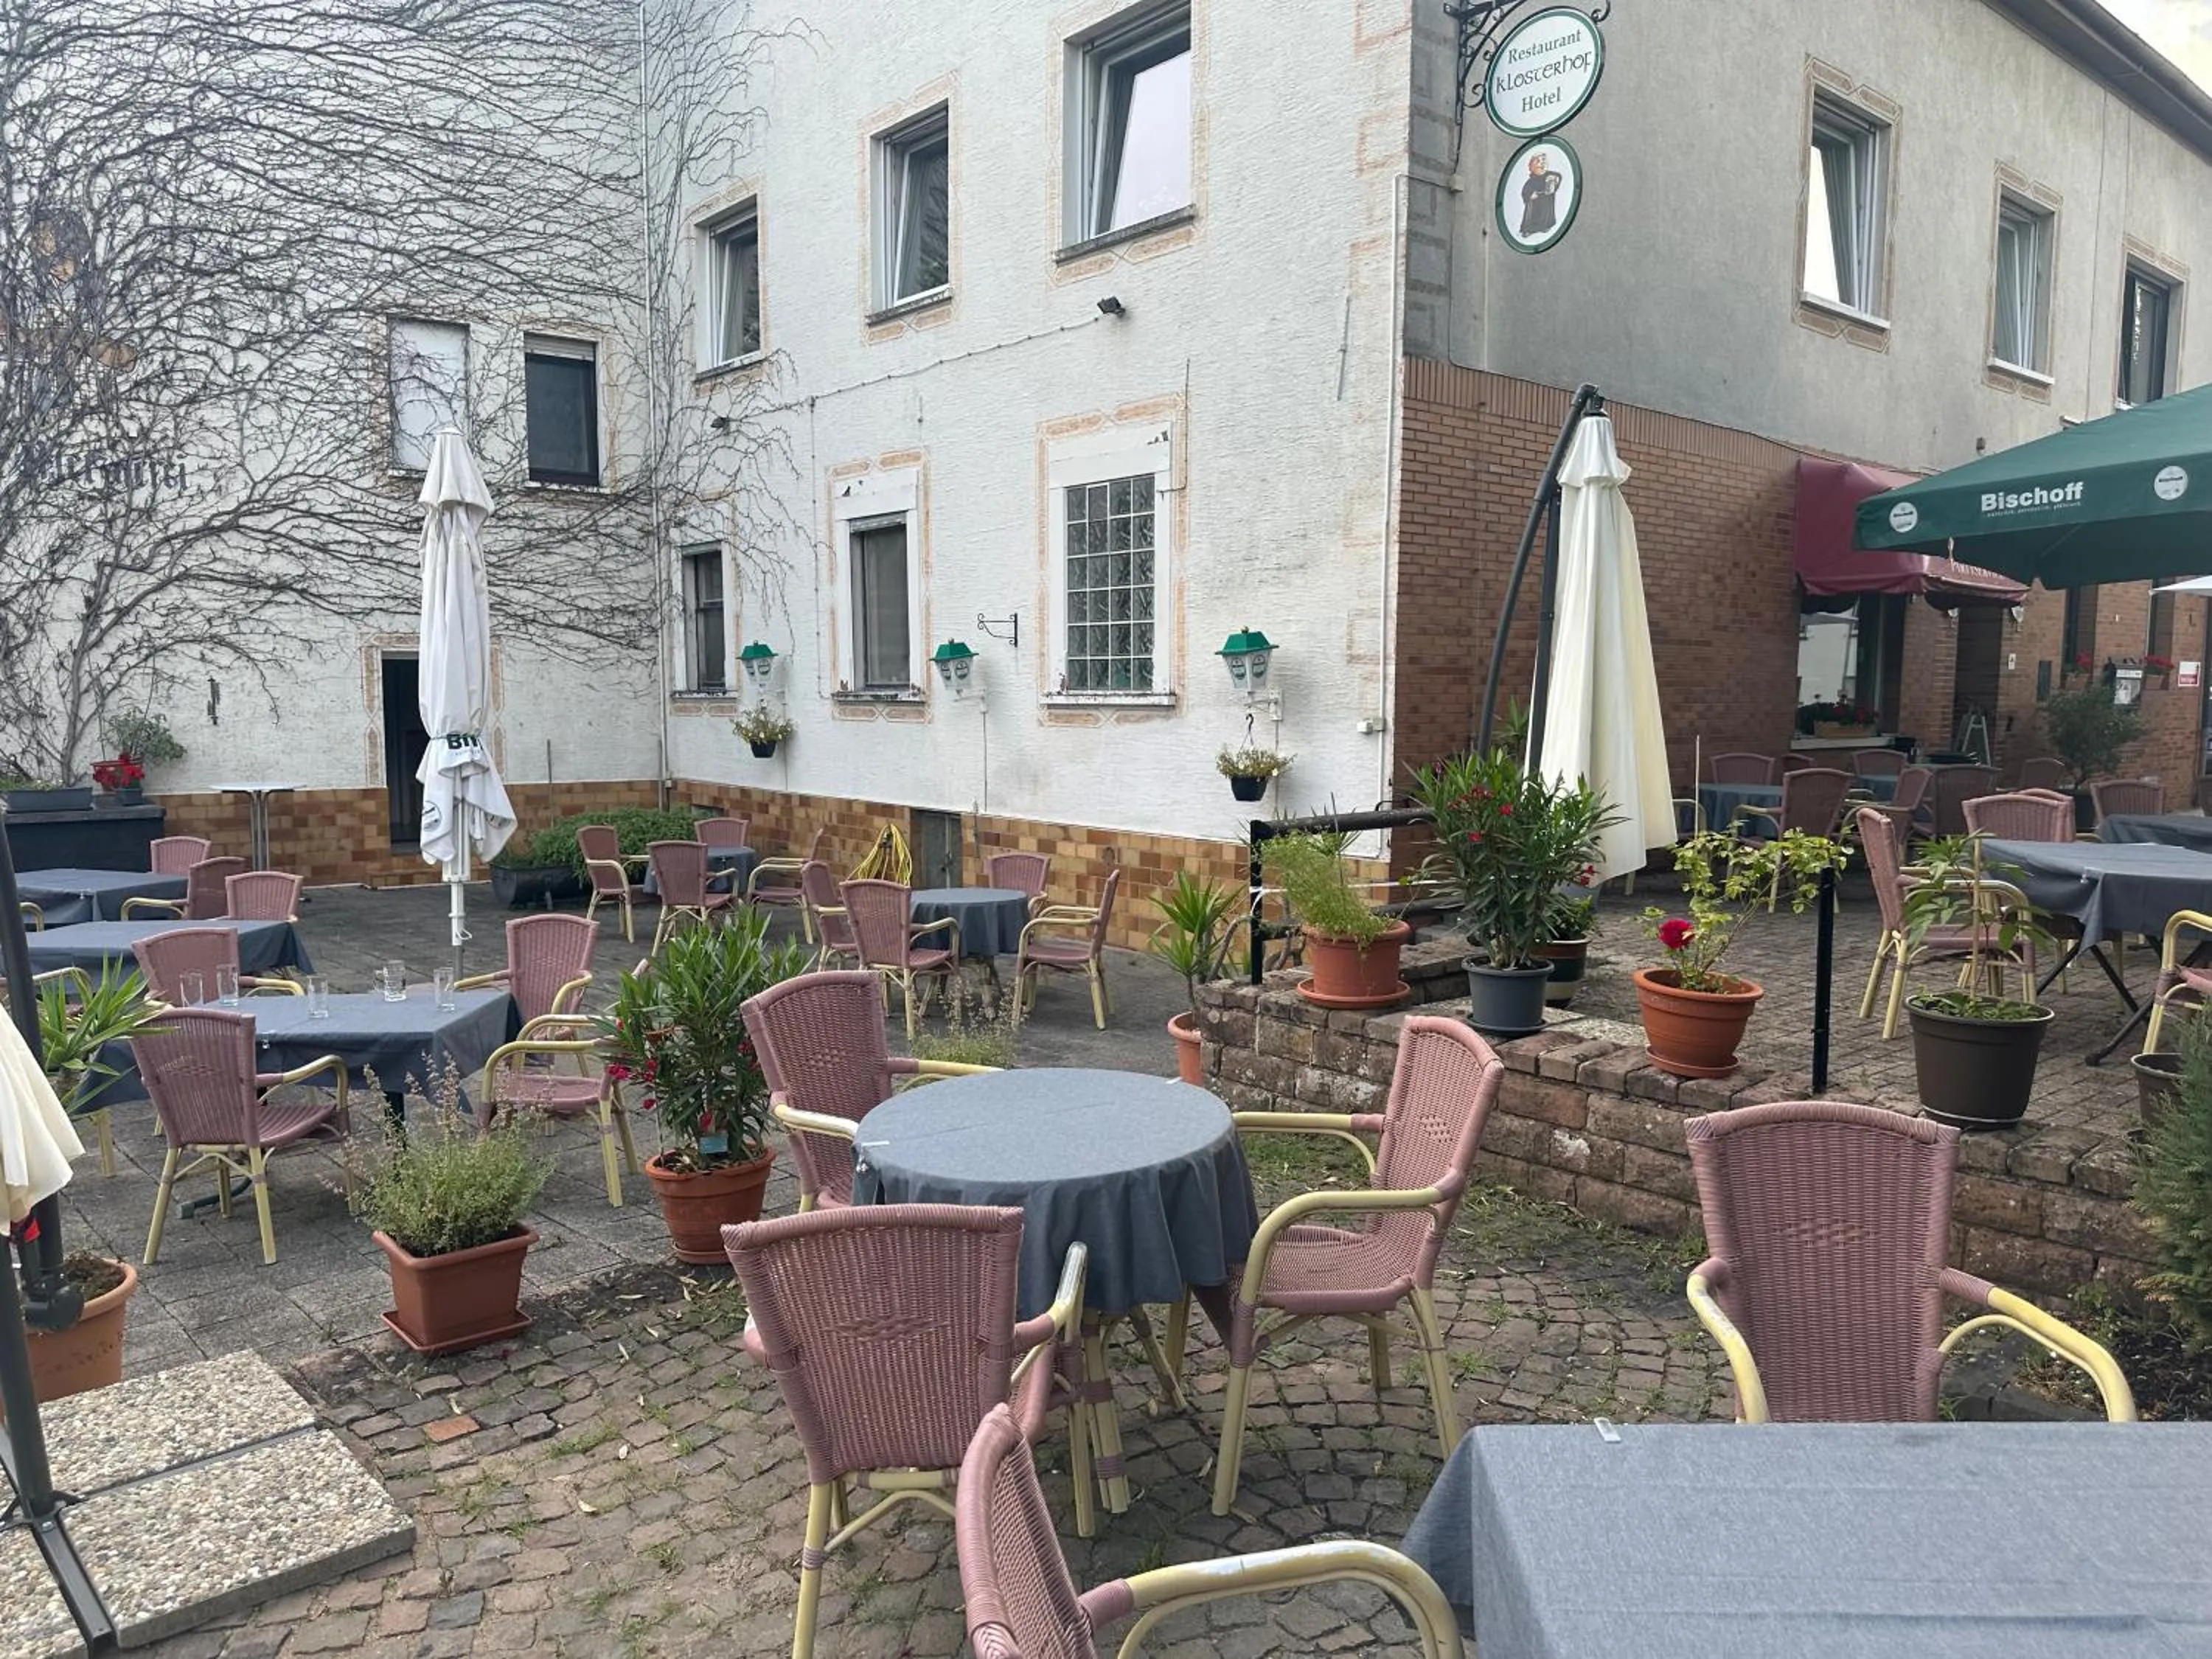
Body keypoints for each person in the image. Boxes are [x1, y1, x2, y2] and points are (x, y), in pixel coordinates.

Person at [1520, 152, 1562, 239]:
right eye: (1538, 162)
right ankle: (1529, 230)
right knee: (1533, 216)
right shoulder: (1532, 181)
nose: (1542, 164)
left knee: (1547, 215)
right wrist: (1530, 195)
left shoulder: (1550, 176)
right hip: (1535, 203)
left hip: (1547, 201)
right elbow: (1525, 192)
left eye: (1544, 161)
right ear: (1532, 166)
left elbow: (1558, 177)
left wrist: (1555, 181)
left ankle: (1545, 226)